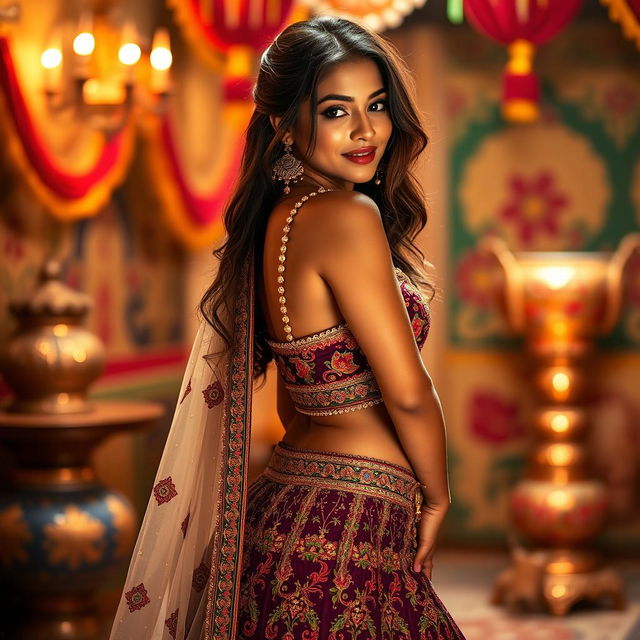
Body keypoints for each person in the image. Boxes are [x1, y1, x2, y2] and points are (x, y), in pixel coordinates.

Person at [109, 15, 465, 640]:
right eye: (335, 111)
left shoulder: (277, 218)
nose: (365, 130)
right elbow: (407, 391)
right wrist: (436, 496)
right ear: (282, 122)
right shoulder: (345, 215)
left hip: (287, 505)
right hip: (351, 523)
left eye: (376, 105)